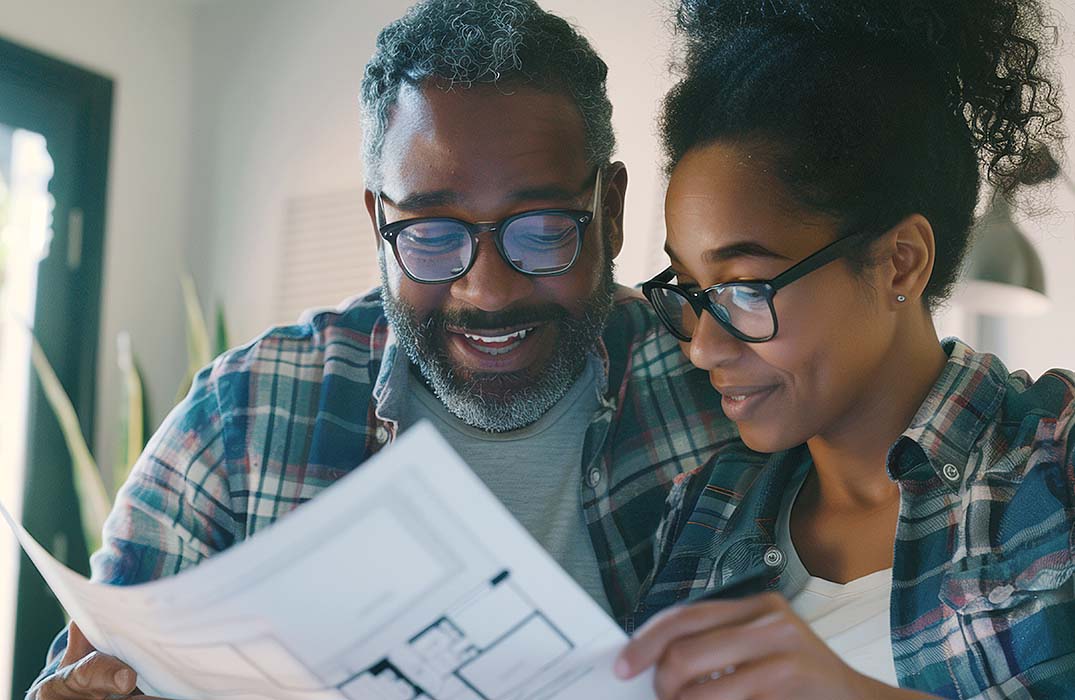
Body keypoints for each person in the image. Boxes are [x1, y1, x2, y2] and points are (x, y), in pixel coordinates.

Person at [25, 1, 740, 698]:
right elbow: (84, 675)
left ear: (609, 212)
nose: (487, 292)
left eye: (542, 228)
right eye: (430, 234)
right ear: (378, 224)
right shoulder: (240, 414)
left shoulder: (720, 382)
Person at [613, 0, 1075, 698]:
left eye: (743, 288)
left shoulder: (1055, 469)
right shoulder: (705, 513)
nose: (702, 348)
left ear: (899, 262)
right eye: (688, 290)